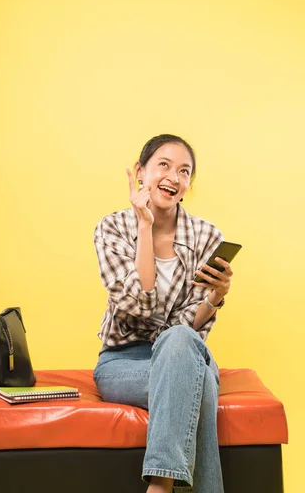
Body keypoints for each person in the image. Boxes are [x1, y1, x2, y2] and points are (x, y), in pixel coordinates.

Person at [92, 134, 234, 493]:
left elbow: (186, 326)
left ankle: (159, 484)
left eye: (184, 171)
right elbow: (138, 302)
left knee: (180, 341)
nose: (174, 176)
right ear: (141, 172)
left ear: (187, 186)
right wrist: (144, 225)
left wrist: (215, 298)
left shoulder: (205, 236)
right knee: (196, 383)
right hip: (124, 363)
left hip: (185, 353)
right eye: (164, 165)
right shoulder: (113, 229)